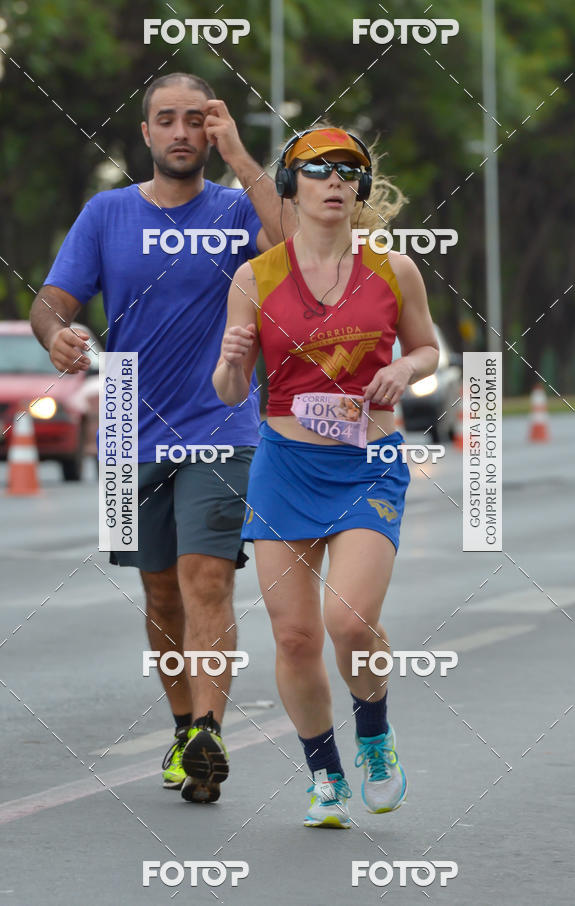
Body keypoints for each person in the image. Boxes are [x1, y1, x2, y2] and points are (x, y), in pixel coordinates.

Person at [30, 72, 295, 804]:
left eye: (195, 121)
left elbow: (298, 260)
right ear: (145, 134)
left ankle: (210, 730)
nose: (181, 133)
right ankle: (184, 729)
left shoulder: (241, 210)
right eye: (166, 120)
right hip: (125, 424)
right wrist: (57, 334)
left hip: (223, 420)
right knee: (158, 594)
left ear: (211, 131)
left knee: (205, 577)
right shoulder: (105, 214)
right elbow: (51, 301)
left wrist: (244, 159)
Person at [213, 127, 439, 827]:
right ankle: (325, 778)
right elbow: (228, 392)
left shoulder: (394, 269)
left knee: (348, 621)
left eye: (350, 171)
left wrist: (405, 366)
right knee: (295, 637)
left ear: (361, 191)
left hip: (367, 462)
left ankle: (374, 736)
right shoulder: (255, 278)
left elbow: (428, 347)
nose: (335, 181)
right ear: (292, 186)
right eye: (318, 170)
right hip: (284, 465)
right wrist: (231, 358)